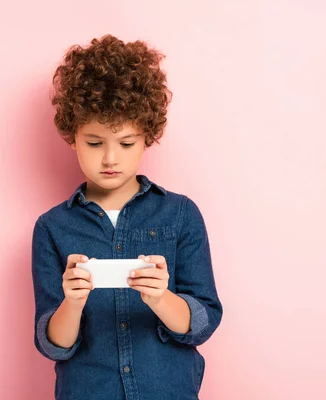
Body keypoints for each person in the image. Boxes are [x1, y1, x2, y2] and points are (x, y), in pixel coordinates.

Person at [31, 34, 223, 400]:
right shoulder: (52, 228)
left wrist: (161, 298)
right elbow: (54, 345)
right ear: (72, 135)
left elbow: (203, 323)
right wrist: (72, 303)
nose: (110, 159)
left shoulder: (181, 214)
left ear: (147, 136)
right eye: (94, 142)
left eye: (126, 142)